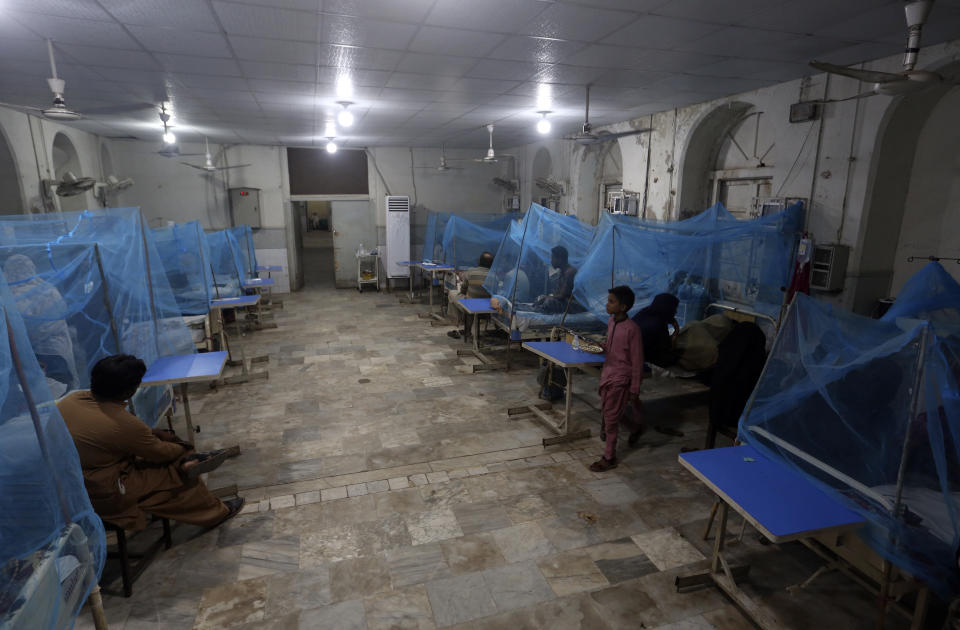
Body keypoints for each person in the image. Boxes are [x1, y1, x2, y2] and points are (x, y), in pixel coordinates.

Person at [58, 354, 243, 530]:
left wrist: (151, 434)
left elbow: (107, 437)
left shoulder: (71, 400)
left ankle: (187, 463)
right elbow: (161, 452)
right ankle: (215, 511)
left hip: (68, 482)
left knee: (158, 444)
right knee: (176, 472)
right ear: (129, 391)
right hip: (103, 489)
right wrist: (179, 447)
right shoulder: (121, 423)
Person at [4, 254, 79, 389]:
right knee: (59, 392)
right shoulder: (48, 289)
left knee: (47, 394)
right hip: (54, 349)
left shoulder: (12, 296)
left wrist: (26, 340)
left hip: (41, 353)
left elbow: (25, 328)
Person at [591, 286, 645, 472]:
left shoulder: (633, 330)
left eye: (611, 301)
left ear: (623, 307)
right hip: (608, 373)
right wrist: (597, 347)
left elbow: (637, 360)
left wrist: (634, 388)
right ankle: (635, 428)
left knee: (611, 419)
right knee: (611, 411)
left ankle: (609, 457)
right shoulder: (611, 322)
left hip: (621, 378)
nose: (607, 304)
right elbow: (610, 345)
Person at [448, 252, 494, 340]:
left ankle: (458, 324)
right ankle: (465, 328)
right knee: (469, 301)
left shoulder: (471, 272)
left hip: (471, 305)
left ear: (479, 262)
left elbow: (463, 290)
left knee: (452, 293)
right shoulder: (494, 276)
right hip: (487, 308)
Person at [631, 293, 680, 368]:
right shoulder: (659, 323)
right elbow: (667, 348)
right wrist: (676, 331)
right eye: (674, 308)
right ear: (669, 309)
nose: (676, 311)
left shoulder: (644, 312)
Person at [534, 246, 582, 313]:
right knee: (540, 297)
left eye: (553, 258)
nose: (551, 261)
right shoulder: (562, 272)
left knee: (549, 302)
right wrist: (545, 297)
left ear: (560, 259)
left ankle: (541, 309)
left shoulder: (570, 272)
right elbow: (557, 293)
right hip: (566, 302)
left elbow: (562, 296)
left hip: (575, 305)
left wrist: (547, 298)